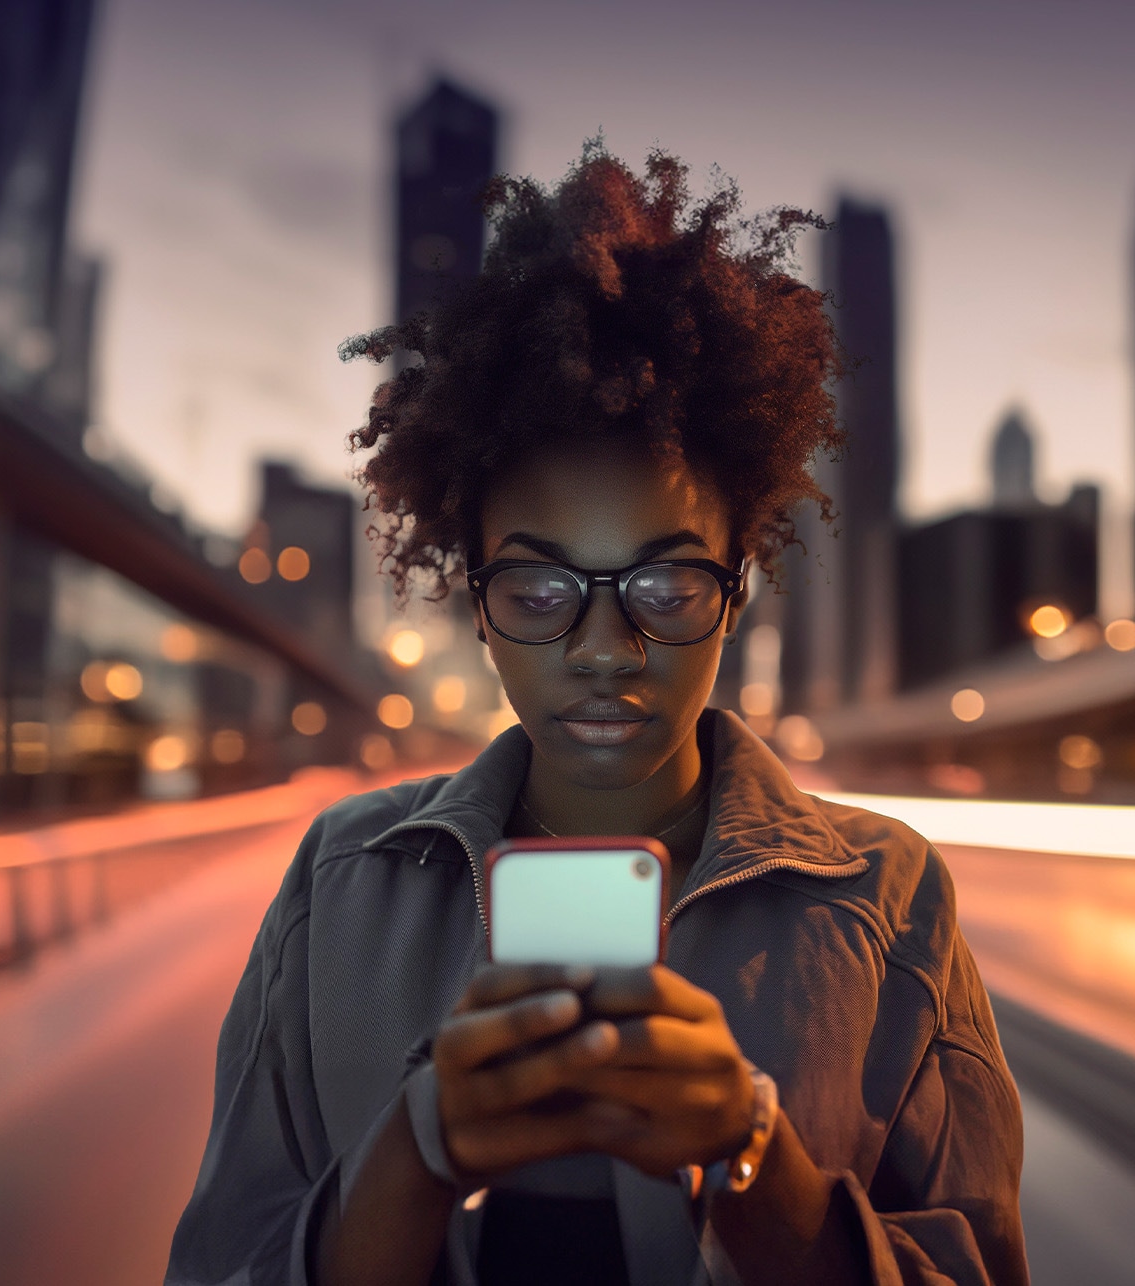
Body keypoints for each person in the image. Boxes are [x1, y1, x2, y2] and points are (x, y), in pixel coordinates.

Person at [165, 146, 1028, 1286]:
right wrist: (419, 1150)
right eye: (537, 590)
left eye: (668, 587)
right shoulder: (342, 878)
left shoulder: (887, 891)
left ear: (738, 589)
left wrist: (750, 1153)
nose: (605, 648)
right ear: (476, 601)